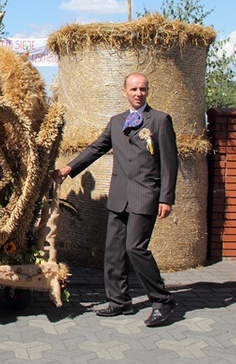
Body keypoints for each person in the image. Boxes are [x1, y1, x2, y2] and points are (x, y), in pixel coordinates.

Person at [54, 72, 178, 327]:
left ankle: (162, 301)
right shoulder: (116, 121)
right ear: (124, 92)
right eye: (133, 89)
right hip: (119, 196)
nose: (138, 93)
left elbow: (170, 163)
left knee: (135, 248)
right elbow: (96, 147)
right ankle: (119, 301)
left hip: (145, 195)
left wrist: (166, 197)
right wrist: (68, 168)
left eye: (142, 89)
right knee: (113, 251)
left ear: (147, 92)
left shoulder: (160, 120)